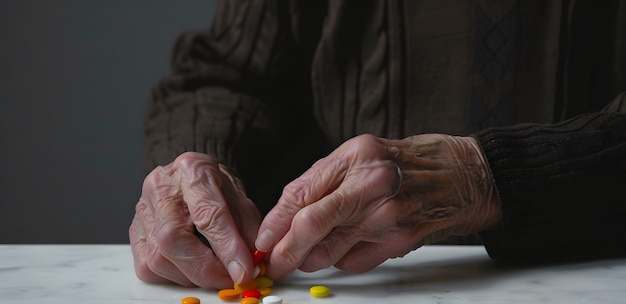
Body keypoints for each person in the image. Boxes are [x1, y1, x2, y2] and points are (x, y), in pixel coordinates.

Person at [130, 0, 626, 289]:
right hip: (358, 302)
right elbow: (225, 76)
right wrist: (195, 171)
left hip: (593, 288)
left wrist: (486, 175)